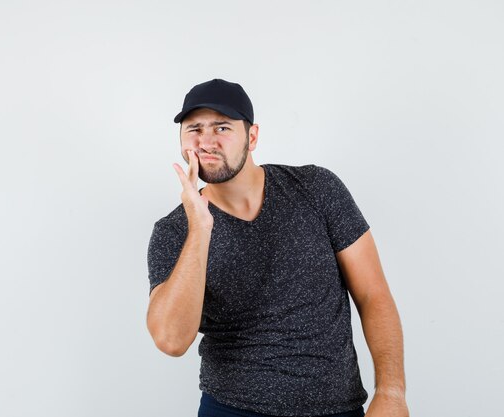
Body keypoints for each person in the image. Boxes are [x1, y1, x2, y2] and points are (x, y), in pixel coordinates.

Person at [146, 78, 409, 417]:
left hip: (337, 409)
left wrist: (391, 391)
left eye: (222, 127)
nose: (206, 141)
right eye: (194, 129)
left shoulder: (317, 188)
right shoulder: (174, 231)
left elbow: (373, 294)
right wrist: (199, 228)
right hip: (233, 409)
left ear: (252, 136)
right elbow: (170, 340)